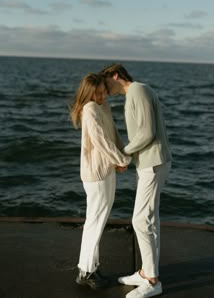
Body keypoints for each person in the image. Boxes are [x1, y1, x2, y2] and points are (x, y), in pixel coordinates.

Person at [101, 64, 171, 298]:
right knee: (150, 219)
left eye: (106, 83)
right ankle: (145, 273)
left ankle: (152, 281)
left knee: (141, 220)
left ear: (115, 76)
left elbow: (147, 133)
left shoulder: (138, 90)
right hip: (151, 162)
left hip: (153, 163)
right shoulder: (137, 92)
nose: (104, 88)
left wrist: (123, 155)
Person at [70, 72, 131, 289]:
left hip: (106, 170)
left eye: (103, 93)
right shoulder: (90, 109)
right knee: (95, 223)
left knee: (96, 221)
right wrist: (121, 158)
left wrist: (122, 155)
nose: (102, 97)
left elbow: (112, 133)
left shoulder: (102, 106)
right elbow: (101, 141)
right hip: (96, 175)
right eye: (97, 94)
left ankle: (89, 267)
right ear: (88, 93)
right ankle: (86, 271)